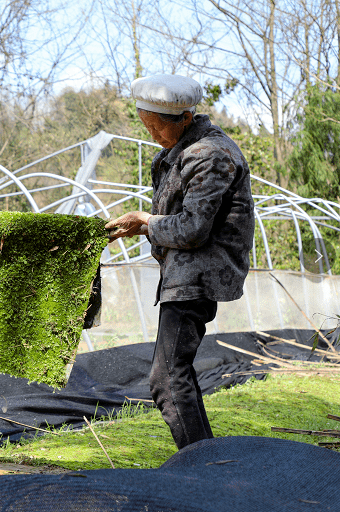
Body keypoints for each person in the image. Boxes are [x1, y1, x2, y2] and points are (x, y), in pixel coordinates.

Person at [104, 74, 255, 450]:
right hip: (184, 274)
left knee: (167, 379)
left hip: (198, 274)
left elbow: (193, 228)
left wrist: (148, 222)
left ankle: (201, 466)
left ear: (185, 118)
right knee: (175, 374)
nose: (153, 134)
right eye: (146, 126)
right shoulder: (184, 151)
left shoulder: (209, 155)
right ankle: (205, 456)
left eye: (158, 127)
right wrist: (140, 227)